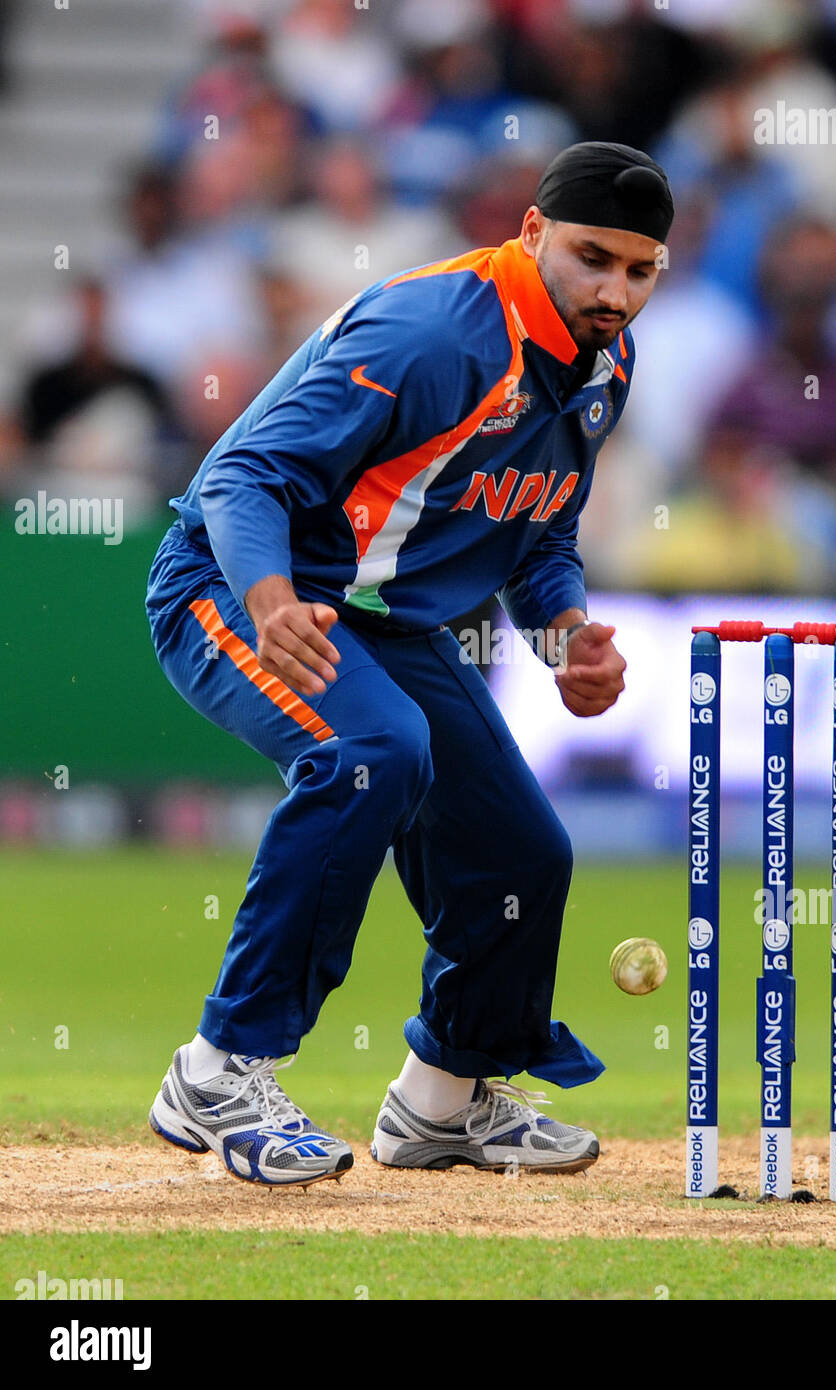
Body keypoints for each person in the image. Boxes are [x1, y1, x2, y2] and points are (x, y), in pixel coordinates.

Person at [145, 142, 673, 1186]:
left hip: (382, 619)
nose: (613, 292)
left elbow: (538, 535)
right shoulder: (434, 331)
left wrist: (564, 633)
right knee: (369, 754)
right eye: (590, 258)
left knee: (522, 851)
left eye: (639, 271)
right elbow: (242, 474)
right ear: (529, 232)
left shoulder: (602, 362)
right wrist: (267, 595)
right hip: (233, 584)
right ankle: (220, 1067)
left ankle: (443, 1098)